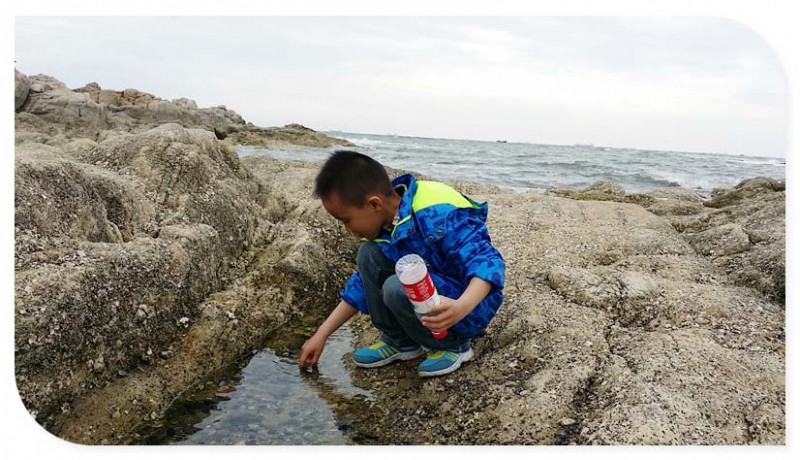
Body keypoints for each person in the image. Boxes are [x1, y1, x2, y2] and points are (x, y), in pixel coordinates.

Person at [298, 150, 505, 377]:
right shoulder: (385, 225)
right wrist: (322, 334)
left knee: (396, 287)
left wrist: (461, 307)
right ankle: (401, 342)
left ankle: (453, 346)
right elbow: (361, 286)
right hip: (436, 295)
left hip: (465, 307)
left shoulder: (437, 213)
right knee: (368, 254)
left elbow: (488, 262)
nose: (347, 229)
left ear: (374, 204)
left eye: (346, 220)